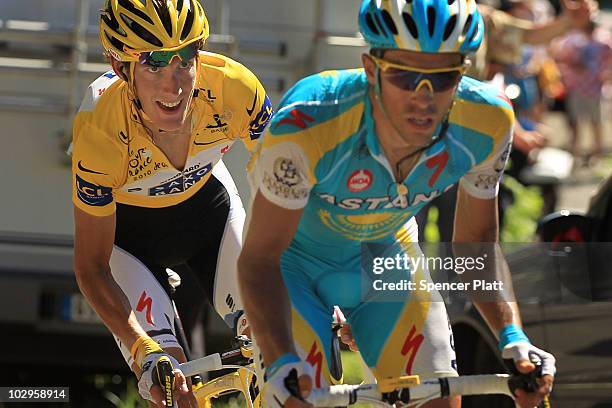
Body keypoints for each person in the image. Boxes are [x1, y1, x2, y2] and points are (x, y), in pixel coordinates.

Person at [239, 1, 555, 408]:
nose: (423, 98)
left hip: (384, 257)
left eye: (442, 79)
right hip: (291, 265)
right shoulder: (311, 118)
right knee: (297, 399)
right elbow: (260, 258)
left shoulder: (487, 122)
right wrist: (281, 359)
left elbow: (476, 245)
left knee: (438, 397)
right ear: (371, 69)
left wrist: (513, 337)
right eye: (405, 76)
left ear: (463, 75)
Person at [71, 0, 272, 406]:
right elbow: (91, 267)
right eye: (153, 63)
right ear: (119, 64)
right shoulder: (99, 130)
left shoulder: (235, 87)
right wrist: (142, 349)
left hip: (210, 213)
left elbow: (293, 196)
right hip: (132, 241)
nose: (174, 85)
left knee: (272, 339)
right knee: (173, 382)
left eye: (185, 59)